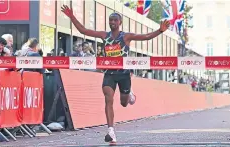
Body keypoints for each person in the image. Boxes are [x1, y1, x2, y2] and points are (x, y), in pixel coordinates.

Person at [61, 5, 170, 144]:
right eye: (110, 20)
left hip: (124, 74)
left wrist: (160, 31)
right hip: (109, 73)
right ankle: (111, 131)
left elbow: (146, 37)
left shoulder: (126, 36)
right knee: (108, 99)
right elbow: (83, 30)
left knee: (124, 103)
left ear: (120, 22)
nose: (112, 22)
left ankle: (130, 94)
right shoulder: (104, 35)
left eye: (114, 20)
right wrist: (71, 16)